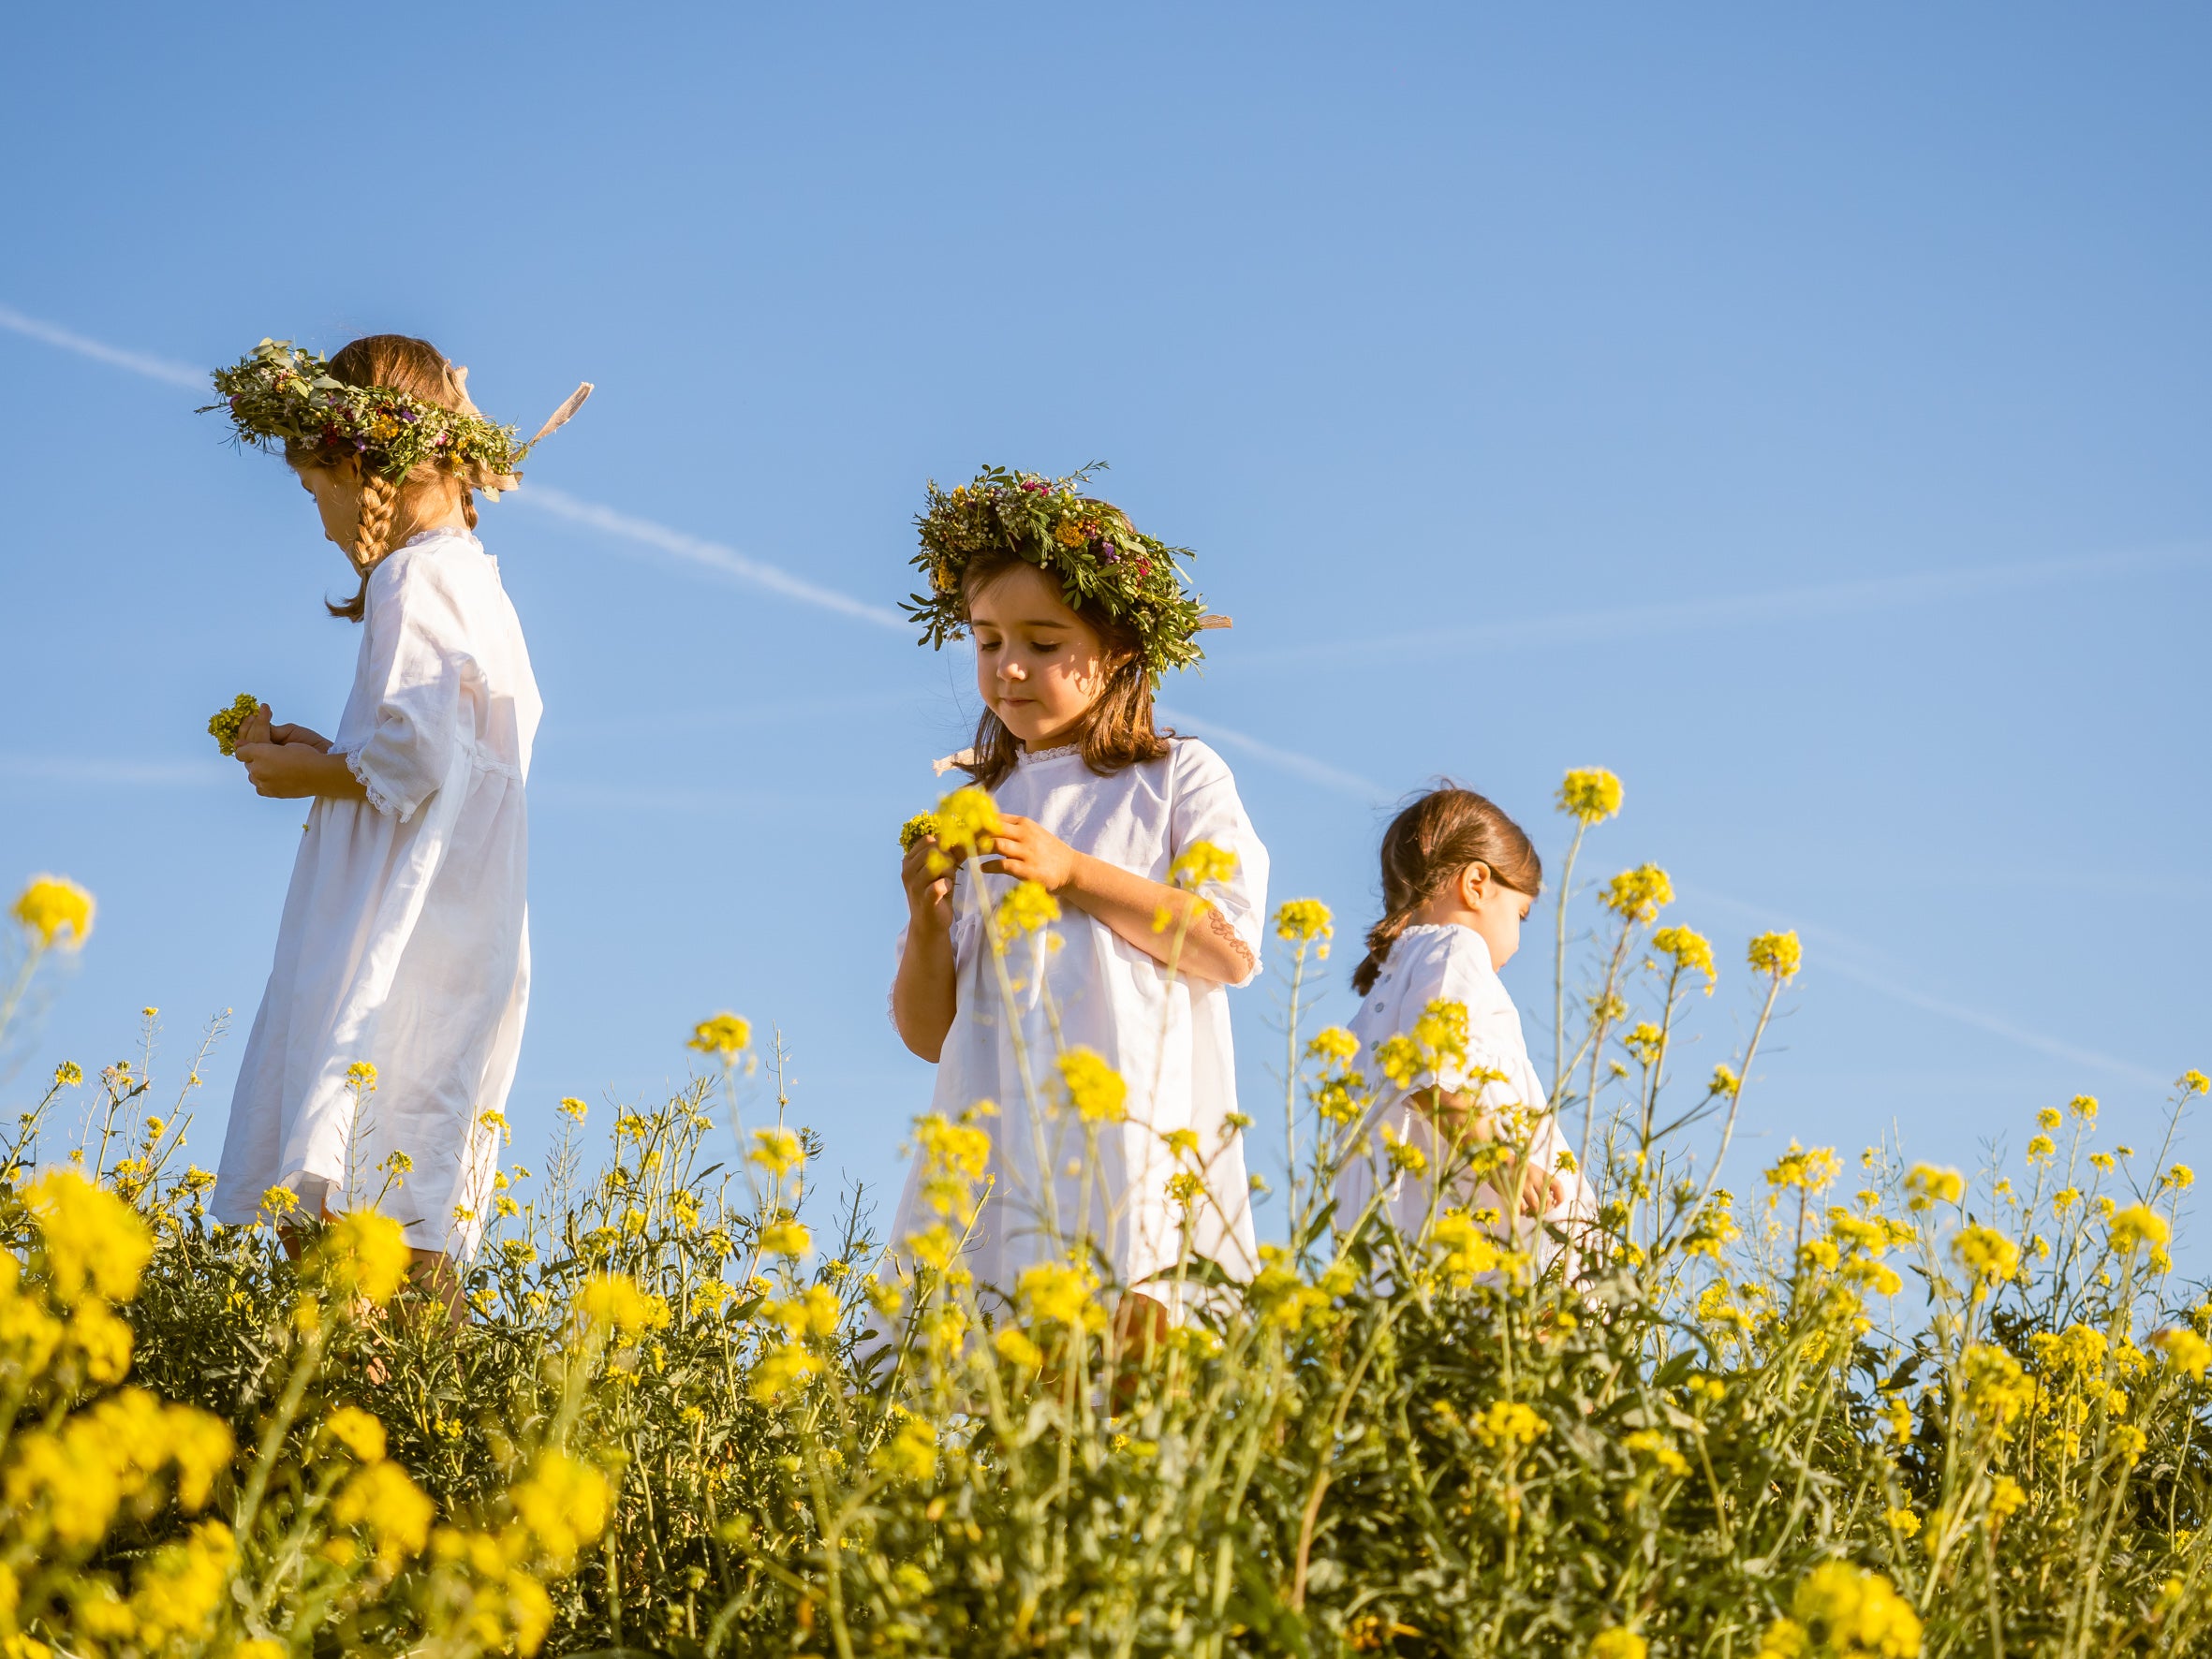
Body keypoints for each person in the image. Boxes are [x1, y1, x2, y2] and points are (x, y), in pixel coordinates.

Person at [203, 335, 588, 1305]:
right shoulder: (478, 583)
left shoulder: (412, 579)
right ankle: (423, 1429)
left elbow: (409, 758)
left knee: (333, 1211)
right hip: (467, 927)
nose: (324, 521)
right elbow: (439, 750)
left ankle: (362, 1424)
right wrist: (326, 750)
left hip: (397, 934)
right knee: (406, 1205)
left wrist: (307, 775)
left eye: (313, 488)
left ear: (360, 465)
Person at [887, 465, 1267, 1340]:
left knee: (1131, 1378)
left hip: (1130, 1144)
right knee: (1001, 1407)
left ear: (1122, 649)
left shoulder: (1176, 777)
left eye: (1045, 643)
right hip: (995, 1154)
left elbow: (1229, 947)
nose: (1009, 666)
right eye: (987, 642)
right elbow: (925, 1035)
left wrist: (1075, 873)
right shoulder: (975, 803)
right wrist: (925, 923)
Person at [1337, 785, 1590, 1267]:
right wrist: (1504, 1158)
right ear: (1476, 883)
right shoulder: (1455, 949)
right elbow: (1433, 1077)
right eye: (1520, 914)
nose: (1517, 939)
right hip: (1489, 1230)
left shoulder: (1387, 992)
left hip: (1407, 1243)